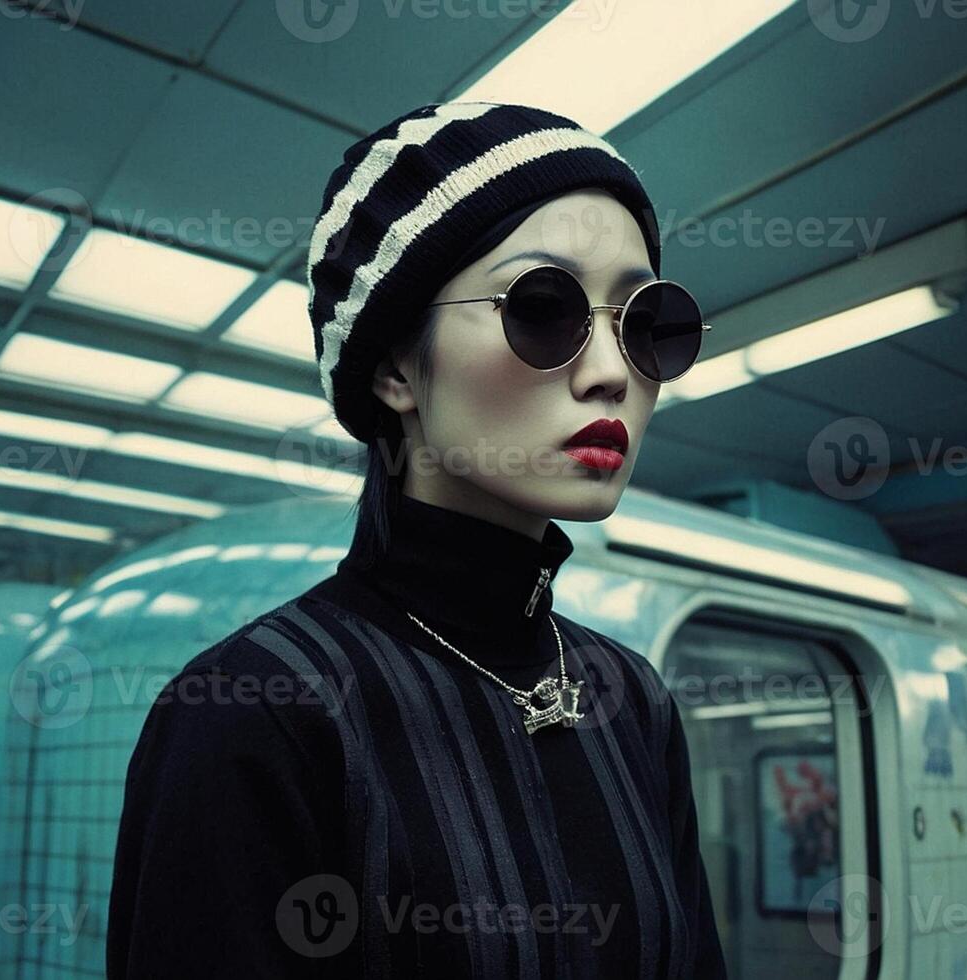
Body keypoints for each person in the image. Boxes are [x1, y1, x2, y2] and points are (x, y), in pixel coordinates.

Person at [106, 101, 727, 979]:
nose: (611, 372)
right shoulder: (256, 713)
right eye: (543, 306)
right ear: (396, 368)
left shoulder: (632, 698)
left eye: (646, 322)